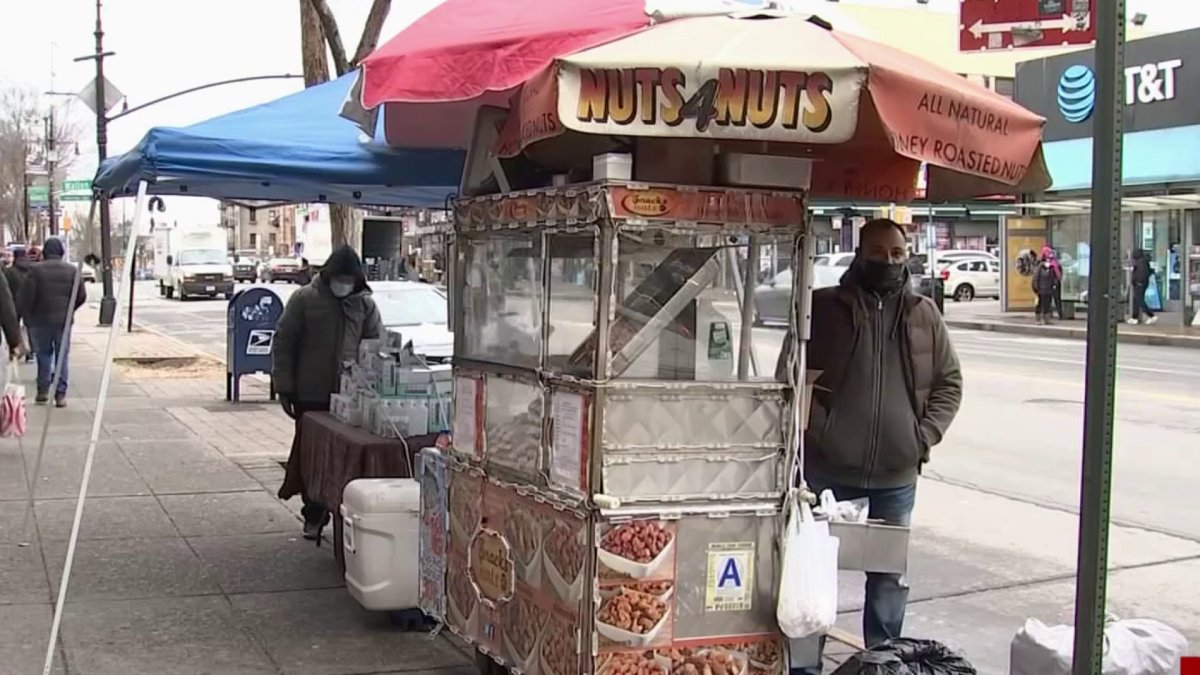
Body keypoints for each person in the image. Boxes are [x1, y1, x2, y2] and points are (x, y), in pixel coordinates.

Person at [776, 219, 962, 673]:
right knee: (813, 577)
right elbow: (790, 376)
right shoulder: (822, 309)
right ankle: (804, 668)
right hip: (825, 474)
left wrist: (923, 437)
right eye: (879, 253)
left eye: (897, 254)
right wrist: (819, 429)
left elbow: (949, 384)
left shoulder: (924, 315)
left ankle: (882, 663)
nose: (889, 262)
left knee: (888, 581)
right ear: (860, 254)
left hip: (895, 477)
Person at [273, 245, 383, 539]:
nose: (343, 284)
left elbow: (376, 346)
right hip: (312, 393)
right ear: (329, 275)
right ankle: (313, 513)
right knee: (312, 457)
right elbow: (284, 343)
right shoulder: (305, 299)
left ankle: (344, 512)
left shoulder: (365, 306)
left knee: (345, 458)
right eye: (339, 278)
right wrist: (284, 387)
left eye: (349, 279)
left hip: (351, 398)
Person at [17, 237, 85, 407]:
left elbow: (27, 296)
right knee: (62, 355)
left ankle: (43, 390)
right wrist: (70, 310)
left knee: (44, 355)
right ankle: (60, 393)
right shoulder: (72, 271)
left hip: (40, 320)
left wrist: (28, 316)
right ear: (61, 252)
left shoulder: (35, 271)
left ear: (45, 252)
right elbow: (81, 296)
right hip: (63, 320)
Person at [4, 248, 34, 362]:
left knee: (15, 327)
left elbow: (7, 290)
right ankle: (31, 351)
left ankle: (15, 349)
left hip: (14, 304)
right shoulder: (32, 270)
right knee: (29, 328)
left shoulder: (10, 272)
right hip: (29, 303)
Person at [1032, 247, 1061, 325]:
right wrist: (1036, 288)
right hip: (1041, 289)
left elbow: (1055, 277)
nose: (1050, 255)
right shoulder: (1040, 266)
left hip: (1049, 289)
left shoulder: (1053, 266)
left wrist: (1054, 284)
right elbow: (1036, 278)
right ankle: (1038, 319)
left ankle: (1046, 320)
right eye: (1048, 253)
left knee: (1047, 304)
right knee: (1040, 304)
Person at [1128, 249, 1157, 325]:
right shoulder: (1143, 262)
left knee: (1139, 301)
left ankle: (1151, 315)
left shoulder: (1140, 263)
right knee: (1136, 300)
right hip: (1140, 283)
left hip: (1139, 284)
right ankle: (1135, 317)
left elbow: (1141, 274)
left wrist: (1138, 282)